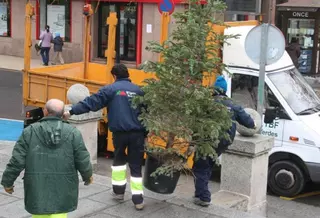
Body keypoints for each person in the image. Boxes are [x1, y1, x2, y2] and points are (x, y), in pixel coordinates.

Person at [63, 64, 146, 210]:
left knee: (119, 163)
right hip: (137, 134)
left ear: (114, 76)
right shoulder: (139, 90)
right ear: (128, 75)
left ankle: (119, 192)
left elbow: (91, 103)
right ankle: (138, 200)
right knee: (136, 166)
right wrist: (146, 133)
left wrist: (71, 111)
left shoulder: (110, 89)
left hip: (119, 134)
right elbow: (147, 114)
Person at [1, 99, 93, 218]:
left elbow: (17, 160)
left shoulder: (30, 131)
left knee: (39, 212)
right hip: (64, 186)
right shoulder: (73, 133)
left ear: (45, 112)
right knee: (60, 213)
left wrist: (8, 182)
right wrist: (87, 176)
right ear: (62, 113)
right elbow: (82, 158)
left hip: (37, 186)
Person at [192, 75, 256, 207]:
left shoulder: (208, 103)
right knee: (207, 164)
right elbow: (248, 121)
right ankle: (199, 193)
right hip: (224, 141)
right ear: (225, 90)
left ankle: (203, 197)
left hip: (207, 140)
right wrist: (254, 125)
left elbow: (196, 121)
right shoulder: (232, 104)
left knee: (200, 166)